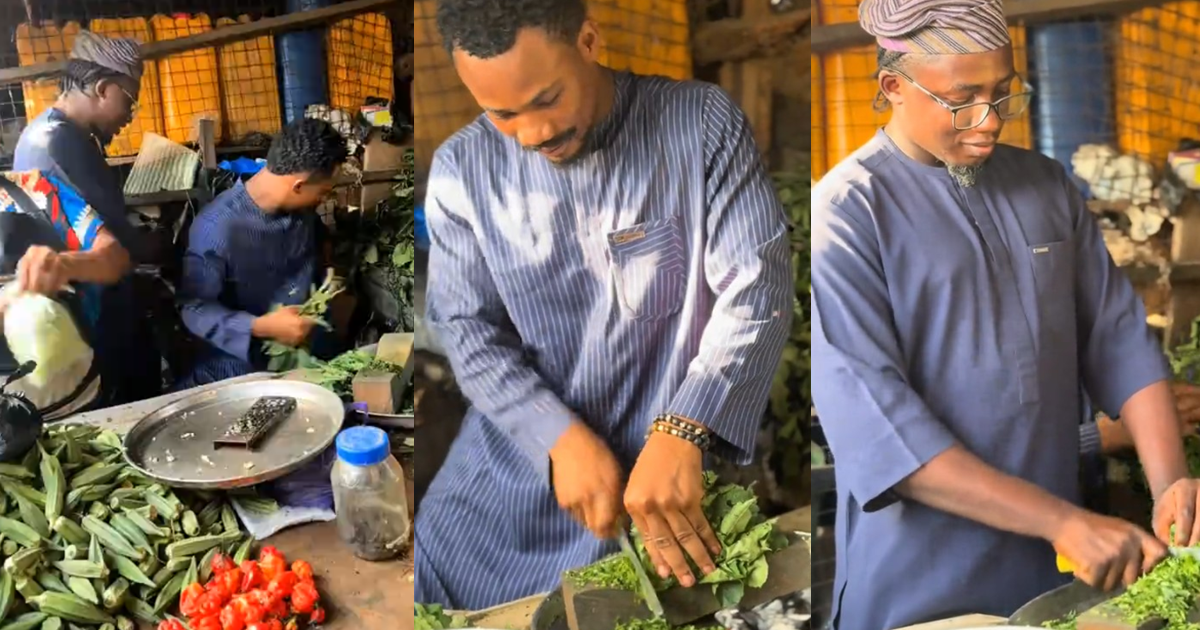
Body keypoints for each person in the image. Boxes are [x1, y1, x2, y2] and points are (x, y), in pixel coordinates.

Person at [811, 0, 1200, 628]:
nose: (988, 122)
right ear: (893, 87)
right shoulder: (848, 213)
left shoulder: (1045, 185)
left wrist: (1172, 484)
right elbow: (882, 429)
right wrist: (1064, 522)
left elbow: (1119, 339)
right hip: (920, 581)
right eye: (962, 100)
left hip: (1053, 573)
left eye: (1003, 94)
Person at [415, 0, 793, 611]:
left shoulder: (699, 125)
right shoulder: (462, 168)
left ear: (588, 41)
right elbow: (466, 328)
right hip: (507, 484)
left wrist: (682, 429)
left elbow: (756, 289)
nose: (533, 133)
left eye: (546, 99)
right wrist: (559, 437)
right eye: (502, 114)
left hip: (662, 485)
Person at [12, 30, 159, 406]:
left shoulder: (59, 134)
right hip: (93, 317)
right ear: (103, 89)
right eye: (129, 100)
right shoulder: (58, 144)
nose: (129, 115)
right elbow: (111, 246)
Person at [175, 118, 348, 388]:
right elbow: (194, 309)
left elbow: (315, 252)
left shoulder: (302, 210)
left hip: (310, 343)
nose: (324, 199)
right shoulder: (218, 228)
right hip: (245, 358)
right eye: (324, 192)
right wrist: (262, 327)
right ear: (298, 186)